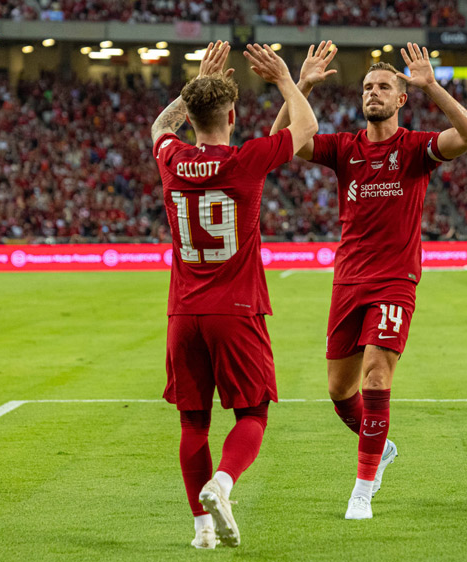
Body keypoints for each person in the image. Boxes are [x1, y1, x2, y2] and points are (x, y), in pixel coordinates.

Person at [270, 41, 467, 519]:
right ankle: (381, 447)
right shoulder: (344, 148)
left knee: (376, 375)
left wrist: (432, 86)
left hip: (394, 280)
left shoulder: (414, 149)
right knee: (338, 391)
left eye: (384, 86)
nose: (373, 92)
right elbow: (278, 143)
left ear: (401, 99)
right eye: (368, 86)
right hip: (347, 281)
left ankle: (362, 490)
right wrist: (299, 83)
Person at [151, 40, 317, 549]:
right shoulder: (247, 160)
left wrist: (195, 84)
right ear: (232, 112)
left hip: (184, 312)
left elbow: (160, 127)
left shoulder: (172, 158)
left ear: (193, 115)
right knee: (253, 413)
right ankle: (221, 485)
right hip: (237, 307)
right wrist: (289, 79)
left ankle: (202, 532)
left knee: (193, 421)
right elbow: (306, 129)